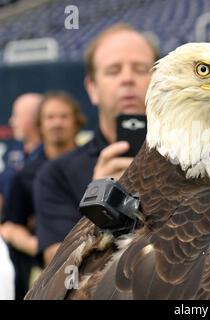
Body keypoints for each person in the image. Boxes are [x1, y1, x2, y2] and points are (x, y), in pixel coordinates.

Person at [34, 24, 158, 266]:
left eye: (141, 69)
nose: (127, 79)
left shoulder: (193, 164)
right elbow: (58, 267)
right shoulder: (55, 174)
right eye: (113, 70)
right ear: (92, 88)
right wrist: (98, 209)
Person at [0, 91, 84, 299]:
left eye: (64, 117)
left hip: (97, 264)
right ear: (39, 125)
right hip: (45, 272)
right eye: (50, 117)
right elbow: (11, 226)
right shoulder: (25, 175)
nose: (57, 123)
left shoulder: (96, 163)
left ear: (76, 122)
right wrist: (42, 248)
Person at [0, 93, 42, 216]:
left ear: (34, 119)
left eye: (16, 115)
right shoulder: (15, 152)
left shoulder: (49, 155)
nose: (11, 121)